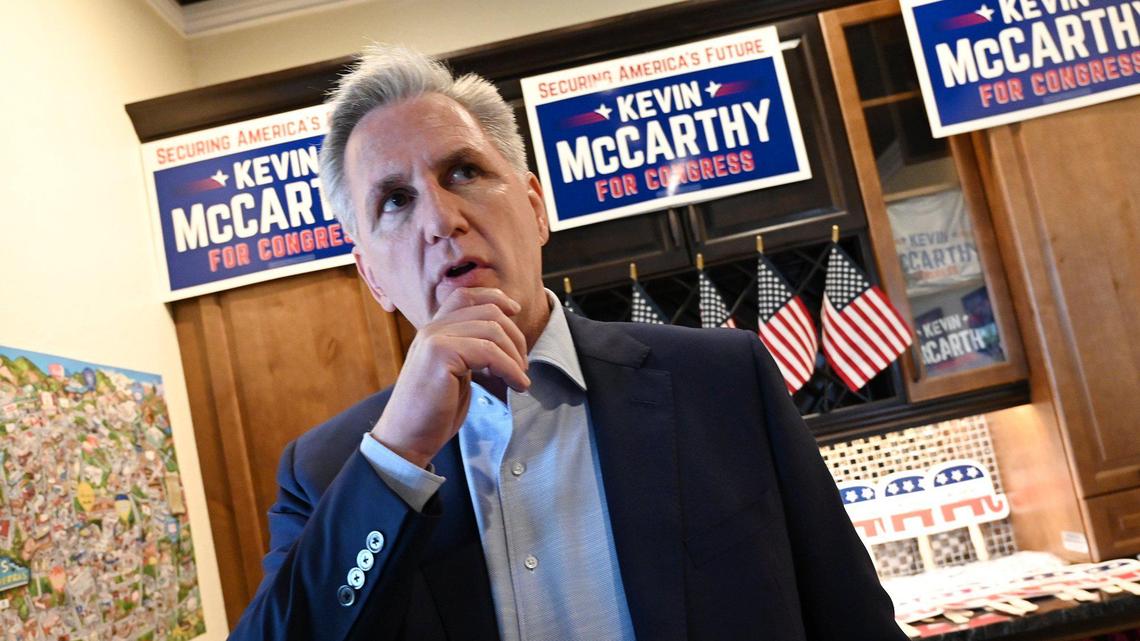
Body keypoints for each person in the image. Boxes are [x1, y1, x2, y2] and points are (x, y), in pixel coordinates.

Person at [228, 44, 905, 641]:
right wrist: (397, 455)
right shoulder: (324, 472)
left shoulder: (724, 383)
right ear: (372, 275)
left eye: (462, 171)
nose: (441, 217)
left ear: (533, 205)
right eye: (395, 201)